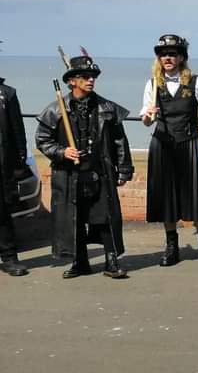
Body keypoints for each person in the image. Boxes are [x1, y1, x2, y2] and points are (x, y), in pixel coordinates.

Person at [35, 55, 133, 279]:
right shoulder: (55, 110)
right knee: (74, 218)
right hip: (69, 175)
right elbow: (42, 140)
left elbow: (120, 141)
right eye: (85, 77)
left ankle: (111, 261)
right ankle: (80, 262)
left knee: (105, 217)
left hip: (100, 171)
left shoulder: (107, 107)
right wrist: (62, 152)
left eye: (93, 77)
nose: (91, 80)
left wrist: (124, 169)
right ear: (72, 81)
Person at [140, 34, 198, 266]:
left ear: (181, 57)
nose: (167, 57)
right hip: (162, 144)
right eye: (163, 54)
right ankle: (171, 246)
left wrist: (192, 122)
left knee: (194, 193)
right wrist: (148, 117)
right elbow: (146, 120)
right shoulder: (153, 84)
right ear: (159, 58)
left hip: (188, 143)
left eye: (172, 53)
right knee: (166, 196)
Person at [0, 73, 30, 276]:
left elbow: (18, 131)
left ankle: (9, 258)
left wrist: (19, 163)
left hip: (2, 164)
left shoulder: (7, 94)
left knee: (2, 212)